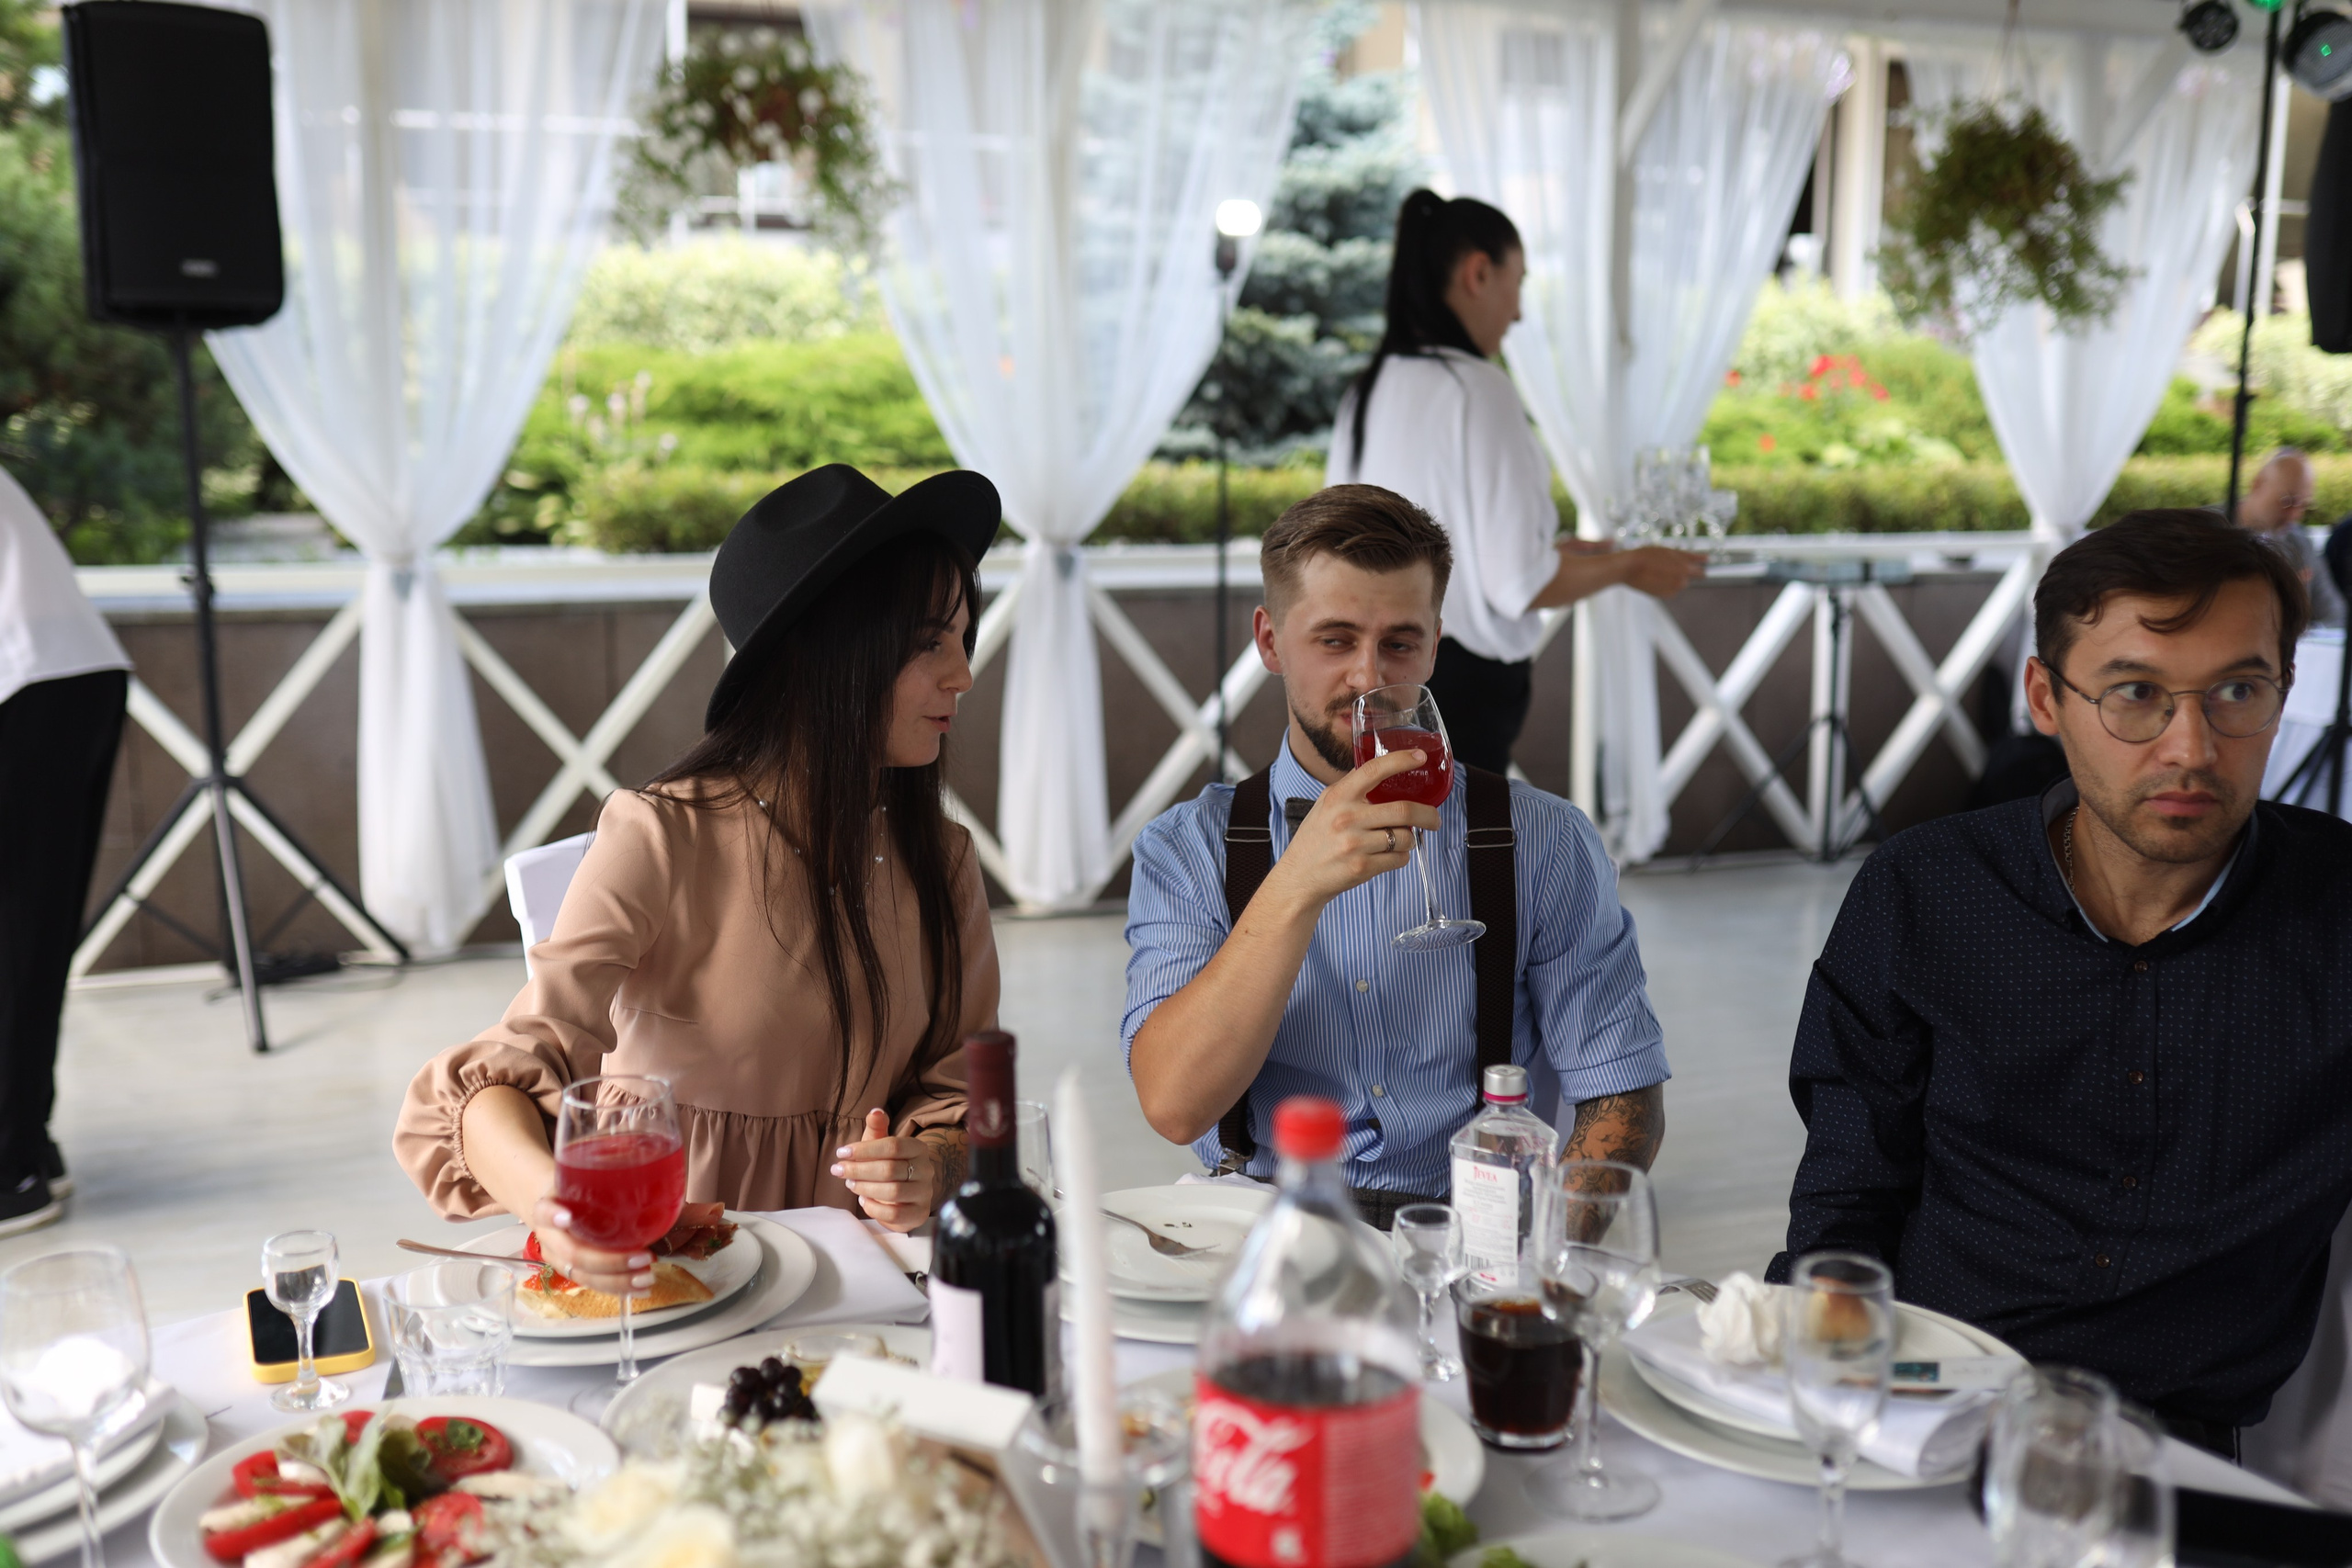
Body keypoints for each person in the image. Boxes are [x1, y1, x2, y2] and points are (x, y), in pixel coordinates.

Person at [1770, 509, 2352, 1457]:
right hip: (1921, 1400)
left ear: (2285, 691)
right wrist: (1823, 1380)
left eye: (2237, 691)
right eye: (2134, 694)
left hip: (2171, 1461)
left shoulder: (2336, 916)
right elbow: (1846, 1189)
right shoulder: (1927, 890)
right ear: (2044, 698)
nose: (2190, 749)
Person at [394, 464, 1001, 1297]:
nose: (962, 674)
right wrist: (561, 1209)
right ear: (832, 650)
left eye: (964, 638)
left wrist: (929, 1162)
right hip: (676, 1284)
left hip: (861, 1292)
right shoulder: (661, 835)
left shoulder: (945, 860)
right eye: (932, 641)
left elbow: (956, 1090)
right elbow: (489, 1084)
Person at [1124, 484, 1669, 1229]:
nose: (1369, 679)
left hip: (1478, 1223)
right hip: (1262, 1223)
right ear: (1271, 641)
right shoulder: (1186, 847)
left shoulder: (1544, 840)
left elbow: (1623, 1097)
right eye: (1335, 639)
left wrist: (1543, 1262)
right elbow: (1175, 1105)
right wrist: (1297, 885)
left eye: (1400, 644)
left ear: (1436, 646)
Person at [1325, 189, 1705, 774]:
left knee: (1390, 860)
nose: (1519, 312)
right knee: (1460, 861)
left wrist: (1554, 554)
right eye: (1518, 283)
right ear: (1479, 273)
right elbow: (1514, 585)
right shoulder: (1479, 390)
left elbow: (1380, 546)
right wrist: (1630, 565)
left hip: (1369, 684)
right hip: (1455, 694)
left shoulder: (1369, 390)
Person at [0, 466, 130, 1237]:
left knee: (18, 935)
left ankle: (11, 1167)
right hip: (72, 672)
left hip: (29, 681)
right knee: (30, 934)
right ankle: (28, 1147)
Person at [2222, 447, 2343, 628]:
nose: (2294, 514)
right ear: (2257, 484)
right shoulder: (2210, 532)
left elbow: (2334, 613)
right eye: (2287, 501)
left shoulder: (2299, 543)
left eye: (2303, 505)